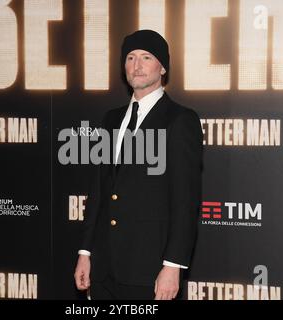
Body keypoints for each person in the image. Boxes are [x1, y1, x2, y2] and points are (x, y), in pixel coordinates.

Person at [74, 29, 203, 300]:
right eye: (130, 58)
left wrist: (172, 266)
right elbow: (98, 192)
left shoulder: (180, 120)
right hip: (104, 267)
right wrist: (85, 253)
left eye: (146, 57)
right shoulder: (110, 119)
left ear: (163, 67)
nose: (137, 65)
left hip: (149, 270)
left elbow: (185, 201)